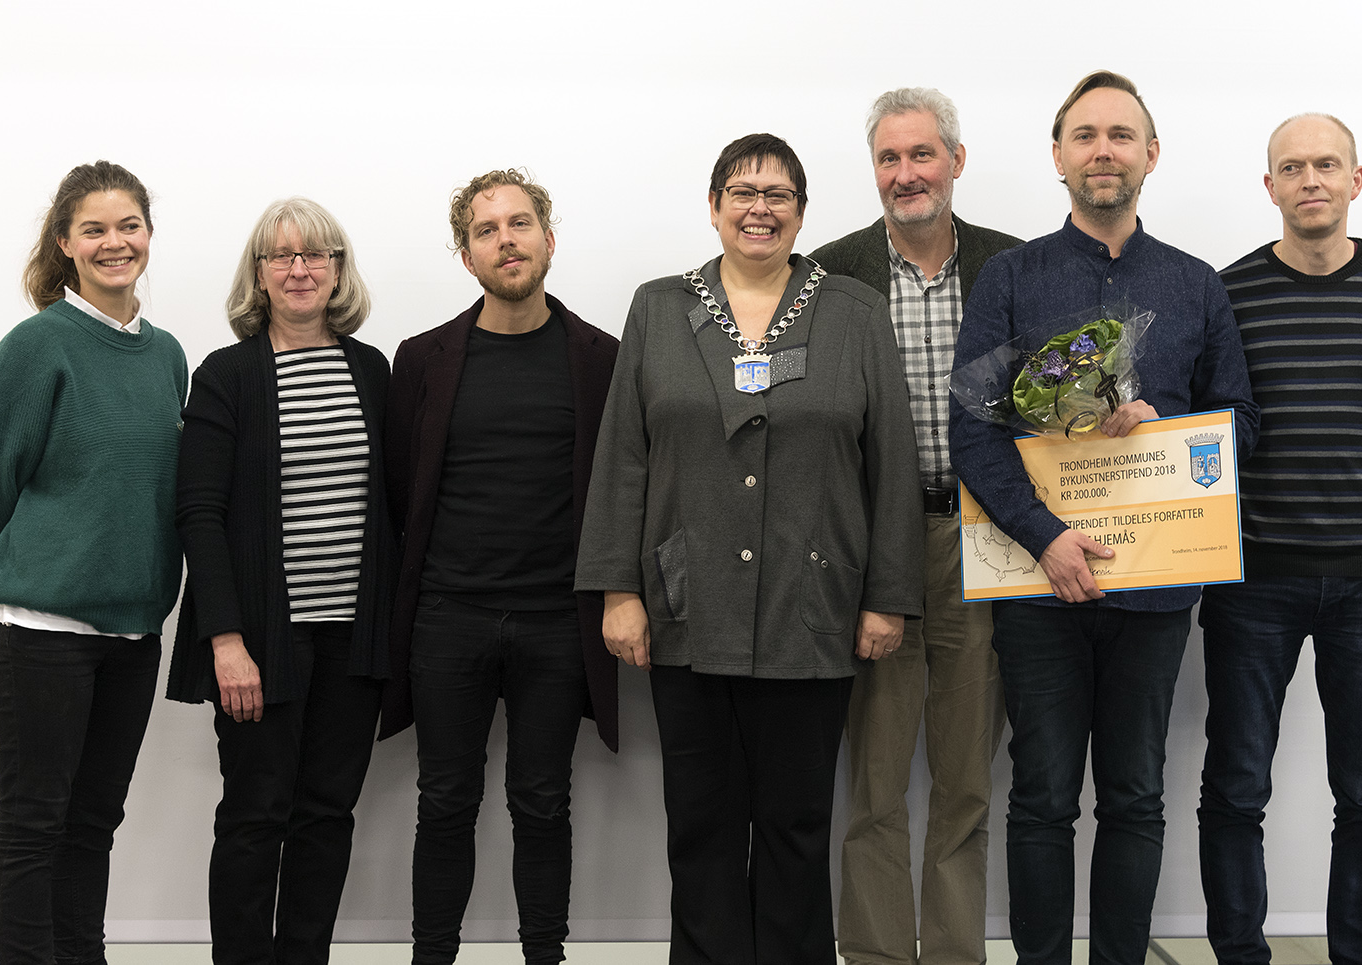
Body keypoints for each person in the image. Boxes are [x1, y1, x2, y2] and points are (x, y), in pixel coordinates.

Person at [576, 132, 924, 965]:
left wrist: (888, 596)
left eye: (778, 195)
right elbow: (624, 454)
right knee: (700, 824)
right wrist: (618, 590)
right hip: (687, 608)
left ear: (801, 213)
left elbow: (892, 461)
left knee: (796, 826)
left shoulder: (853, 311)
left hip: (813, 610)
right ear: (714, 206)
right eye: (742, 191)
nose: (759, 208)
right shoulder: (659, 308)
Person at [947, 71, 1259, 965]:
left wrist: (1168, 431)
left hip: (1157, 591)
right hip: (1038, 585)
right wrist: (1045, 536)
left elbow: (1241, 422)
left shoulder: (1195, 284)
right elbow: (973, 429)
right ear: (1058, 156)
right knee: (1043, 797)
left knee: (1134, 797)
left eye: (1121, 135)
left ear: (1150, 155)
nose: (1103, 151)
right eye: (1084, 136)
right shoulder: (1011, 277)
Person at [1198, 114, 1362, 965]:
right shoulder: (1228, 294)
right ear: (1269, 185)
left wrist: (1357, 504)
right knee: (1236, 786)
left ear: (1355, 179)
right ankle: (1239, 954)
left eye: (1327, 164)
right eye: (1293, 166)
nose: (1311, 179)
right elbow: (1212, 429)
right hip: (1252, 578)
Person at [380, 169, 619, 965]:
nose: (505, 240)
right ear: (466, 255)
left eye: (520, 223)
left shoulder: (601, 358)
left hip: (558, 620)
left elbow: (624, 491)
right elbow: (399, 494)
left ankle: (545, 955)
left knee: (543, 802)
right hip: (447, 617)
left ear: (548, 238)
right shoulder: (422, 359)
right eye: (486, 230)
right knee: (444, 801)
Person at [0, 160, 188, 965]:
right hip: (42, 630)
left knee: (93, 824)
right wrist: (6, 589)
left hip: (133, 632)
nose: (114, 242)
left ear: (148, 235)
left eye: (129, 226)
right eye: (94, 229)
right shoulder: (37, 347)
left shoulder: (166, 356)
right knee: (33, 822)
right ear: (65, 242)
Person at [810, 87, 1020, 965]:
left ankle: (957, 955)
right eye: (889, 158)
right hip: (877, 550)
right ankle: (877, 955)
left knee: (967, 780)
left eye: (922, 154)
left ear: (956, 161)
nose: (906, 173)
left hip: (987, 539)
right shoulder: (830, 273)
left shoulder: (1012, 265)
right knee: (876, 781)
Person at [166, 198, 396, 965]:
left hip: (353, 642)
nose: (300, 268)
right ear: (259, 274)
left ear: (337, 268)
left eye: (315, 253)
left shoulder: (371, 370)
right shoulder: (227, 375)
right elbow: (199, 514)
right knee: (255, 814)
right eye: (281, 255)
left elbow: (391, 506)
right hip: (262, 640)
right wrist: (225, 640)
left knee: (326, 814)